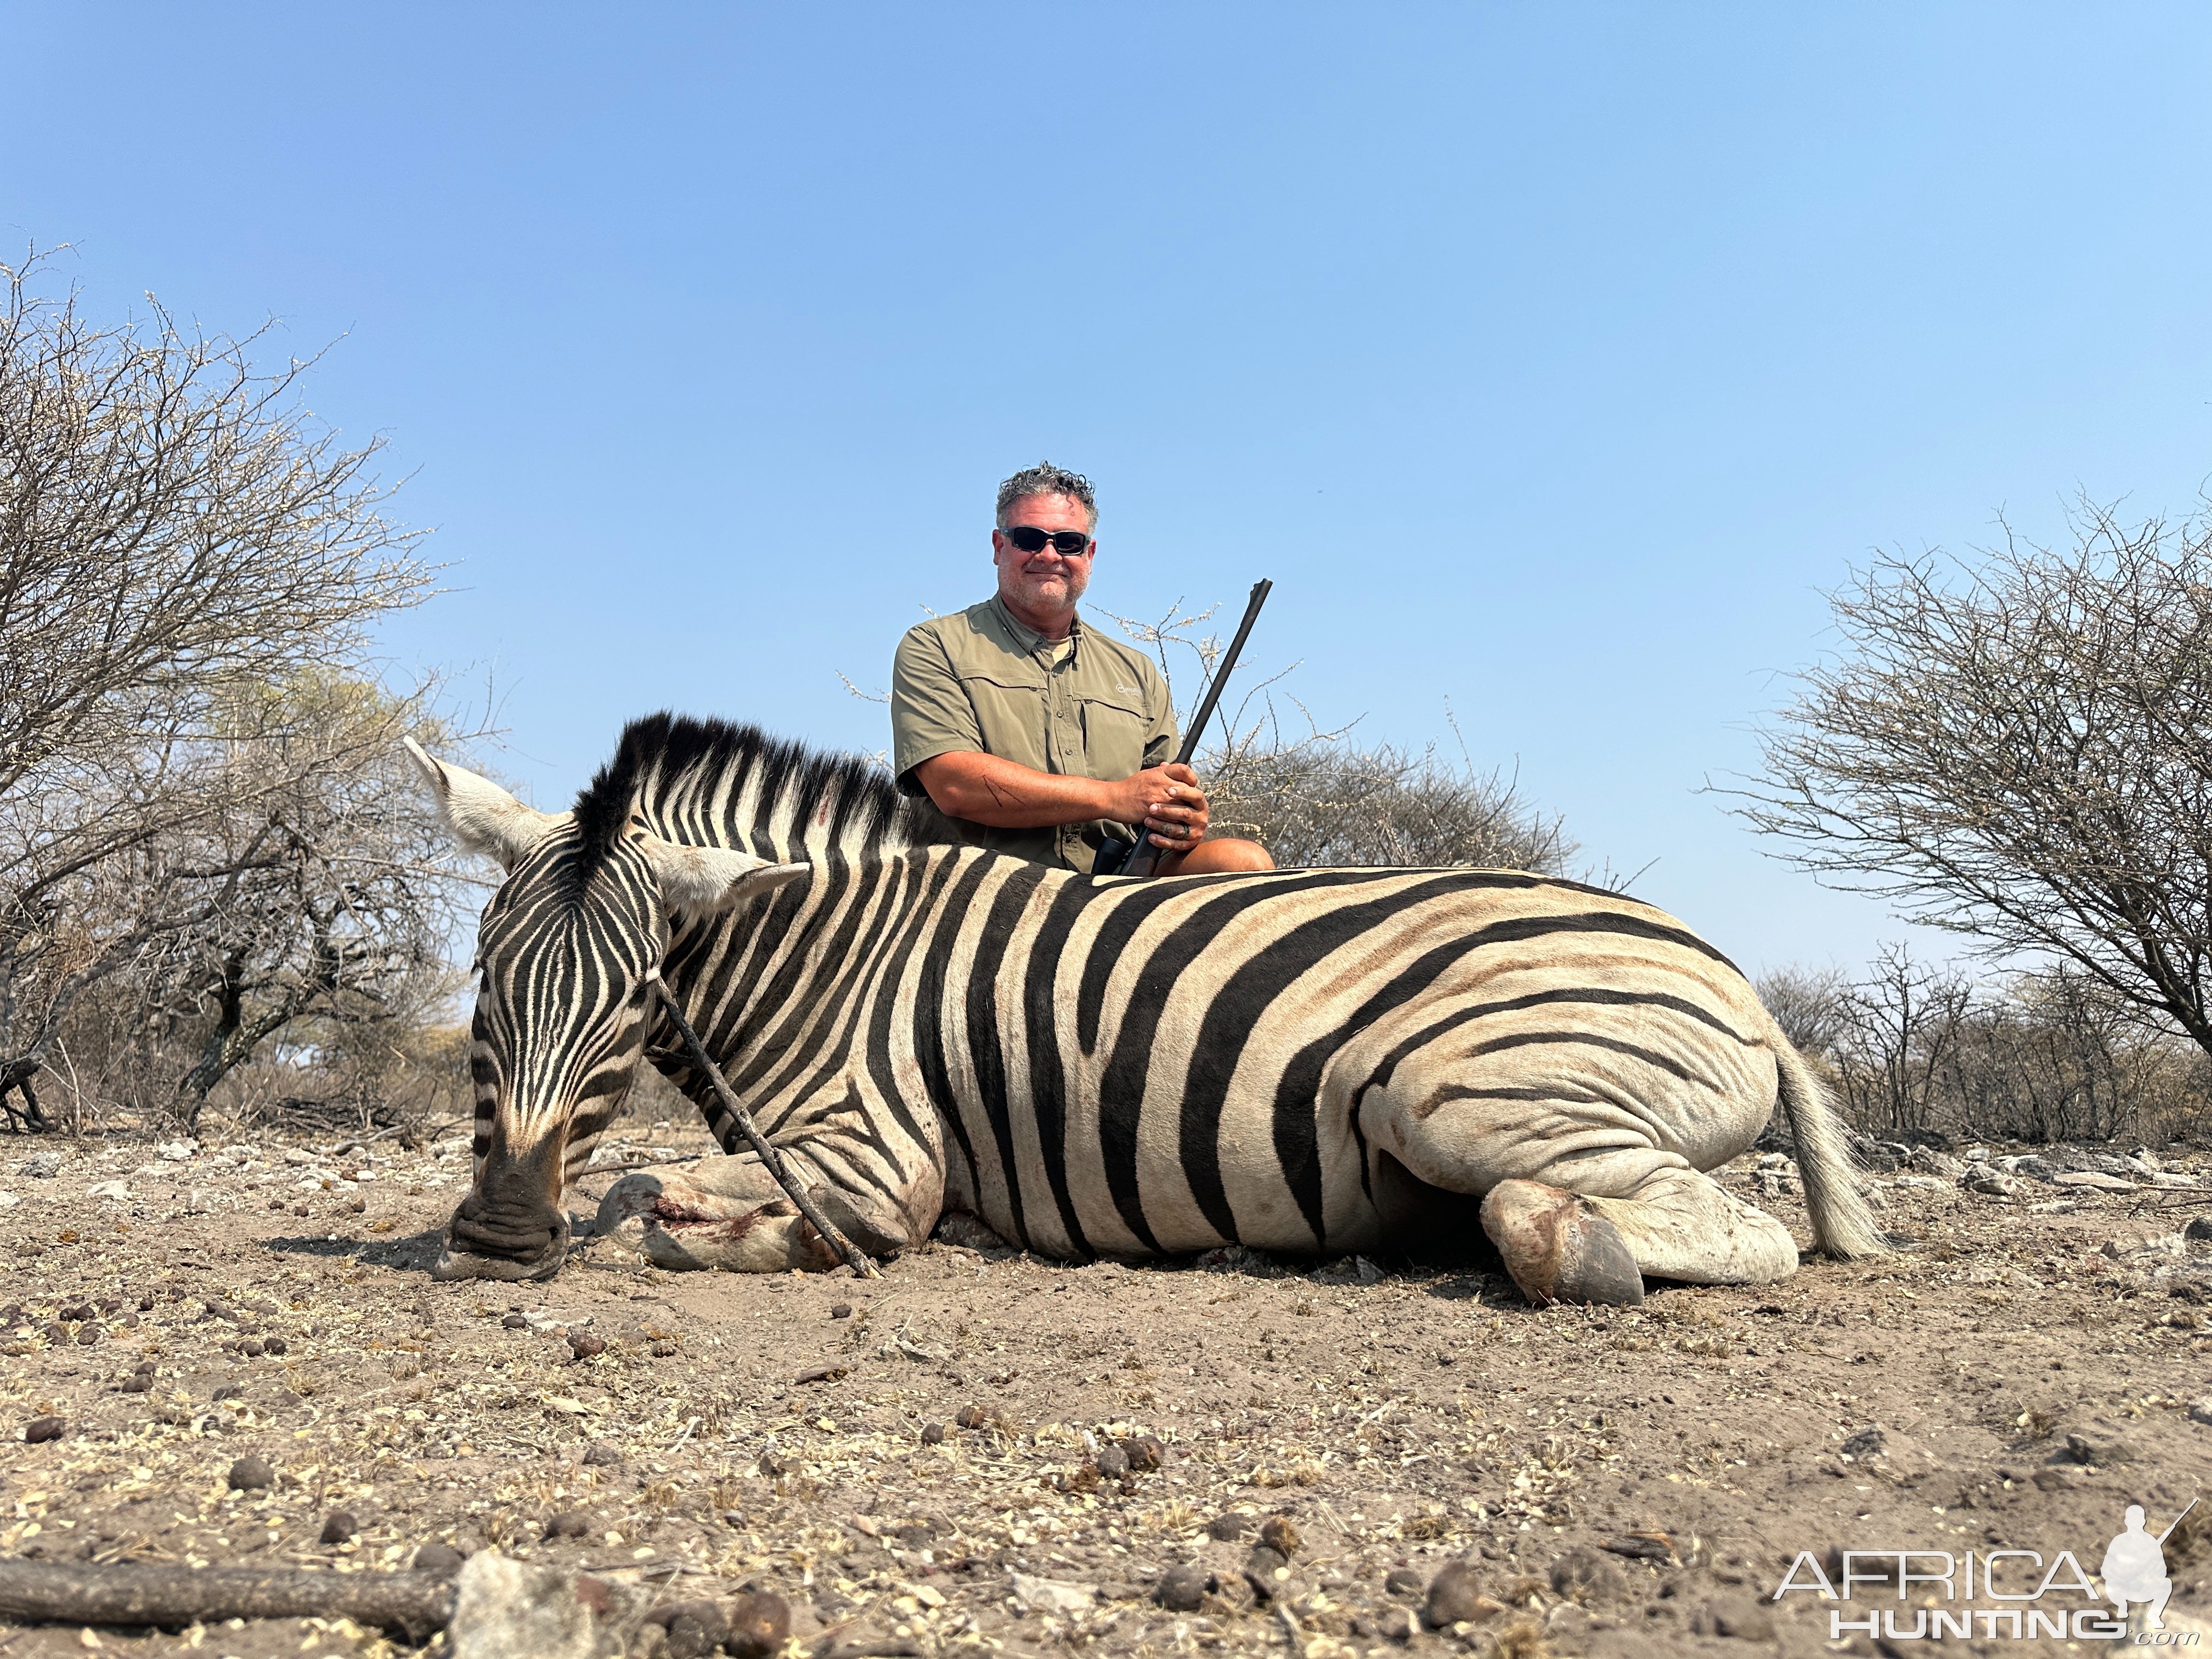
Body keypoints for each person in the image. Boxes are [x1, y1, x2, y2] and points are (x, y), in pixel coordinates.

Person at [890, 461, 1275, 878]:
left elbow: (1161, 800)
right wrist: (1113, 798)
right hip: (984, 892)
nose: (1050, 554)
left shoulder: (1137, 672)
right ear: (999, 546)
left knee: (1243, 862)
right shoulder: (934, 646)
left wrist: (1185, 820)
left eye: (1069, 542)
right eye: (1029, 539)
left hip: (1112, 897)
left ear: (1088, 555)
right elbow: (954, 785)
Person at [2101, 1504, 2172, 1629]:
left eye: (2138, 1520)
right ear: (2126, 1522)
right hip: (2121, 1587)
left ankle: (2154, 1615)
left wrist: (2149, 1573)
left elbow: (2162, 1570)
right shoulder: (2119, 1541)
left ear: (2144, 1522)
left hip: (2143, 1587)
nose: (2135, 1524)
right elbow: (2106, 1569)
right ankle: (2121, 1608)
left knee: (2166, 1584)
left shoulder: (2151, 1542)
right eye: (2132, 1520)